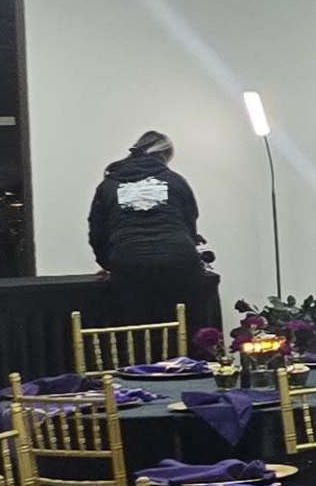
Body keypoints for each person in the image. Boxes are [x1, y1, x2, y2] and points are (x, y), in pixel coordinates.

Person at [86, 127, 219, 337]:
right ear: (165, 156)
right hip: (179, 261)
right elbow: (189, 222)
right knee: (183, 328)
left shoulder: (109, 185)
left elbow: (98, 233)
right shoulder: (175, 181)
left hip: (129, 262)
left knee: (138, 331)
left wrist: (108, 264)